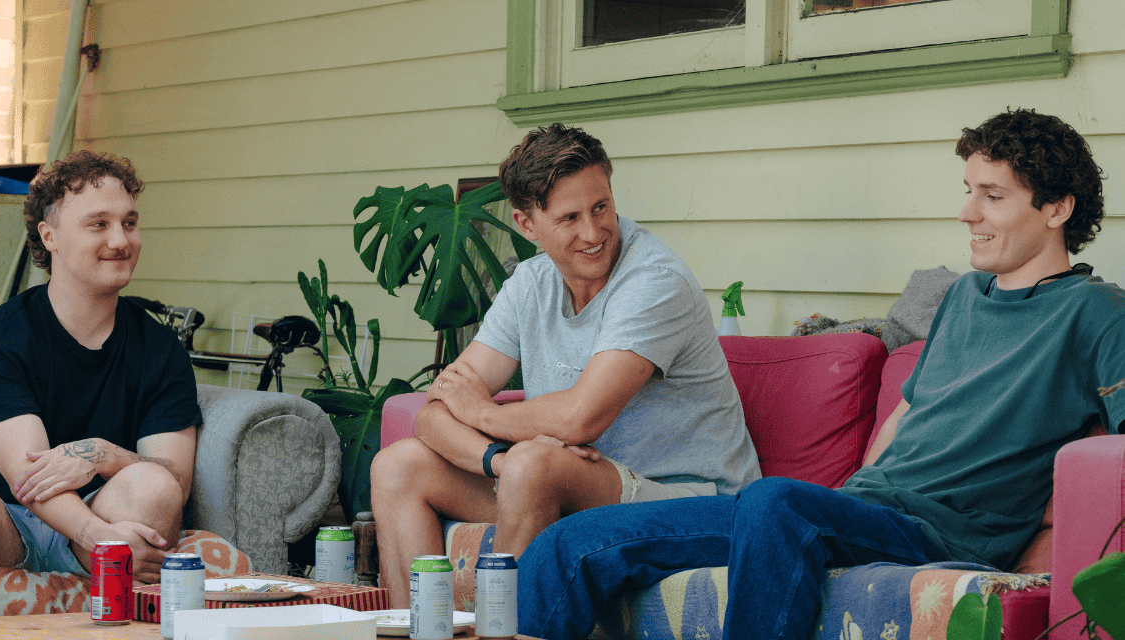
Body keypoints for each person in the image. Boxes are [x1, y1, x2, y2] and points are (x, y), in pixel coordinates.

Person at [516, 108, 1125, 639]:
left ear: (1057, 209)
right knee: (568, 547)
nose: (966, 212)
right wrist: (849, 499)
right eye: (968, 190)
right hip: (861, 510)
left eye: (992, 196)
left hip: (942, 535)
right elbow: (907, 414)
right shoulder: (965, 296)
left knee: (777, 501)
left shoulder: (1097, 314)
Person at [370, 124, 761, 606]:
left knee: (536, 464)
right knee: (397, 467)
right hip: (577, 484)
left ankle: (502, 632)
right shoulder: (529, 285)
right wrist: (499, 460)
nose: (593, 233)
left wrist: (486, 416)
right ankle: (423, 628)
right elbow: (435, 412)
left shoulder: (654, 282)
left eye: (601, 207)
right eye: (569, 217)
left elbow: (581, 418)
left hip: (695, 503)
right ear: (527, 224)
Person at [0, 151, 202, 585]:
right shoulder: (0, 338)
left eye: (130, 222)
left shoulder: (159, 348)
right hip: (12, 529)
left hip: (110, 515)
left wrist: (104, 455)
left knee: (155, 486)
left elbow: (176, 476)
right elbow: (28, 478)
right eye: (99, 224)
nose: (121, 240)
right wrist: (102, 538)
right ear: (50, 237)